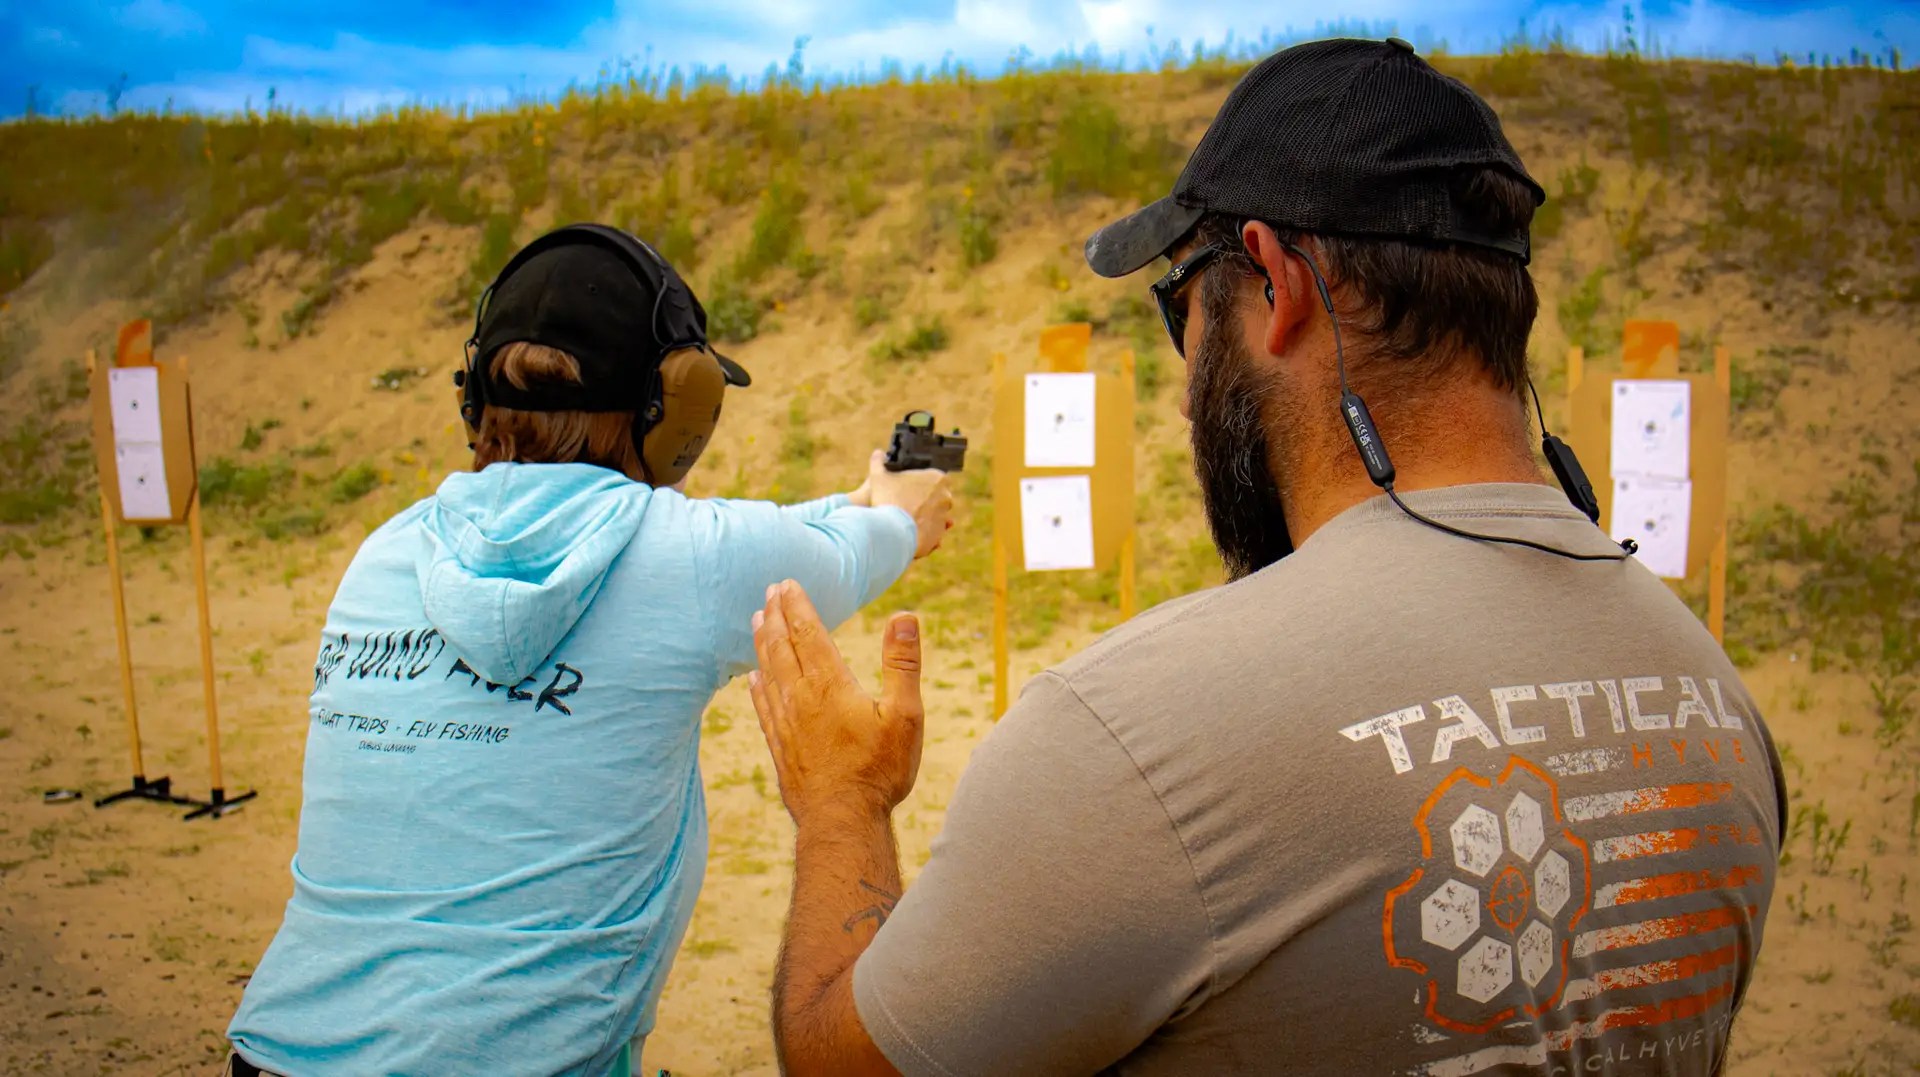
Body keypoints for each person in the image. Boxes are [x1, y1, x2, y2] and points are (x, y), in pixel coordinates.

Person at [742, 38, 1787, 1076]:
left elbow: (848, 1062)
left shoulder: (1131, 743)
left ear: (1281, 283)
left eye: (1180, 305)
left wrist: (843, 805)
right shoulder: (1714, 693)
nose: (1189, 360)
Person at [224, 223, 953, 1077]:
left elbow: (751, 542)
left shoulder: (384, 552)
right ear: (676, 406)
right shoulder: (693, 555)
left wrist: (861, 502)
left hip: (276, 1051)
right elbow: (830, 552)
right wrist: (902, 513)